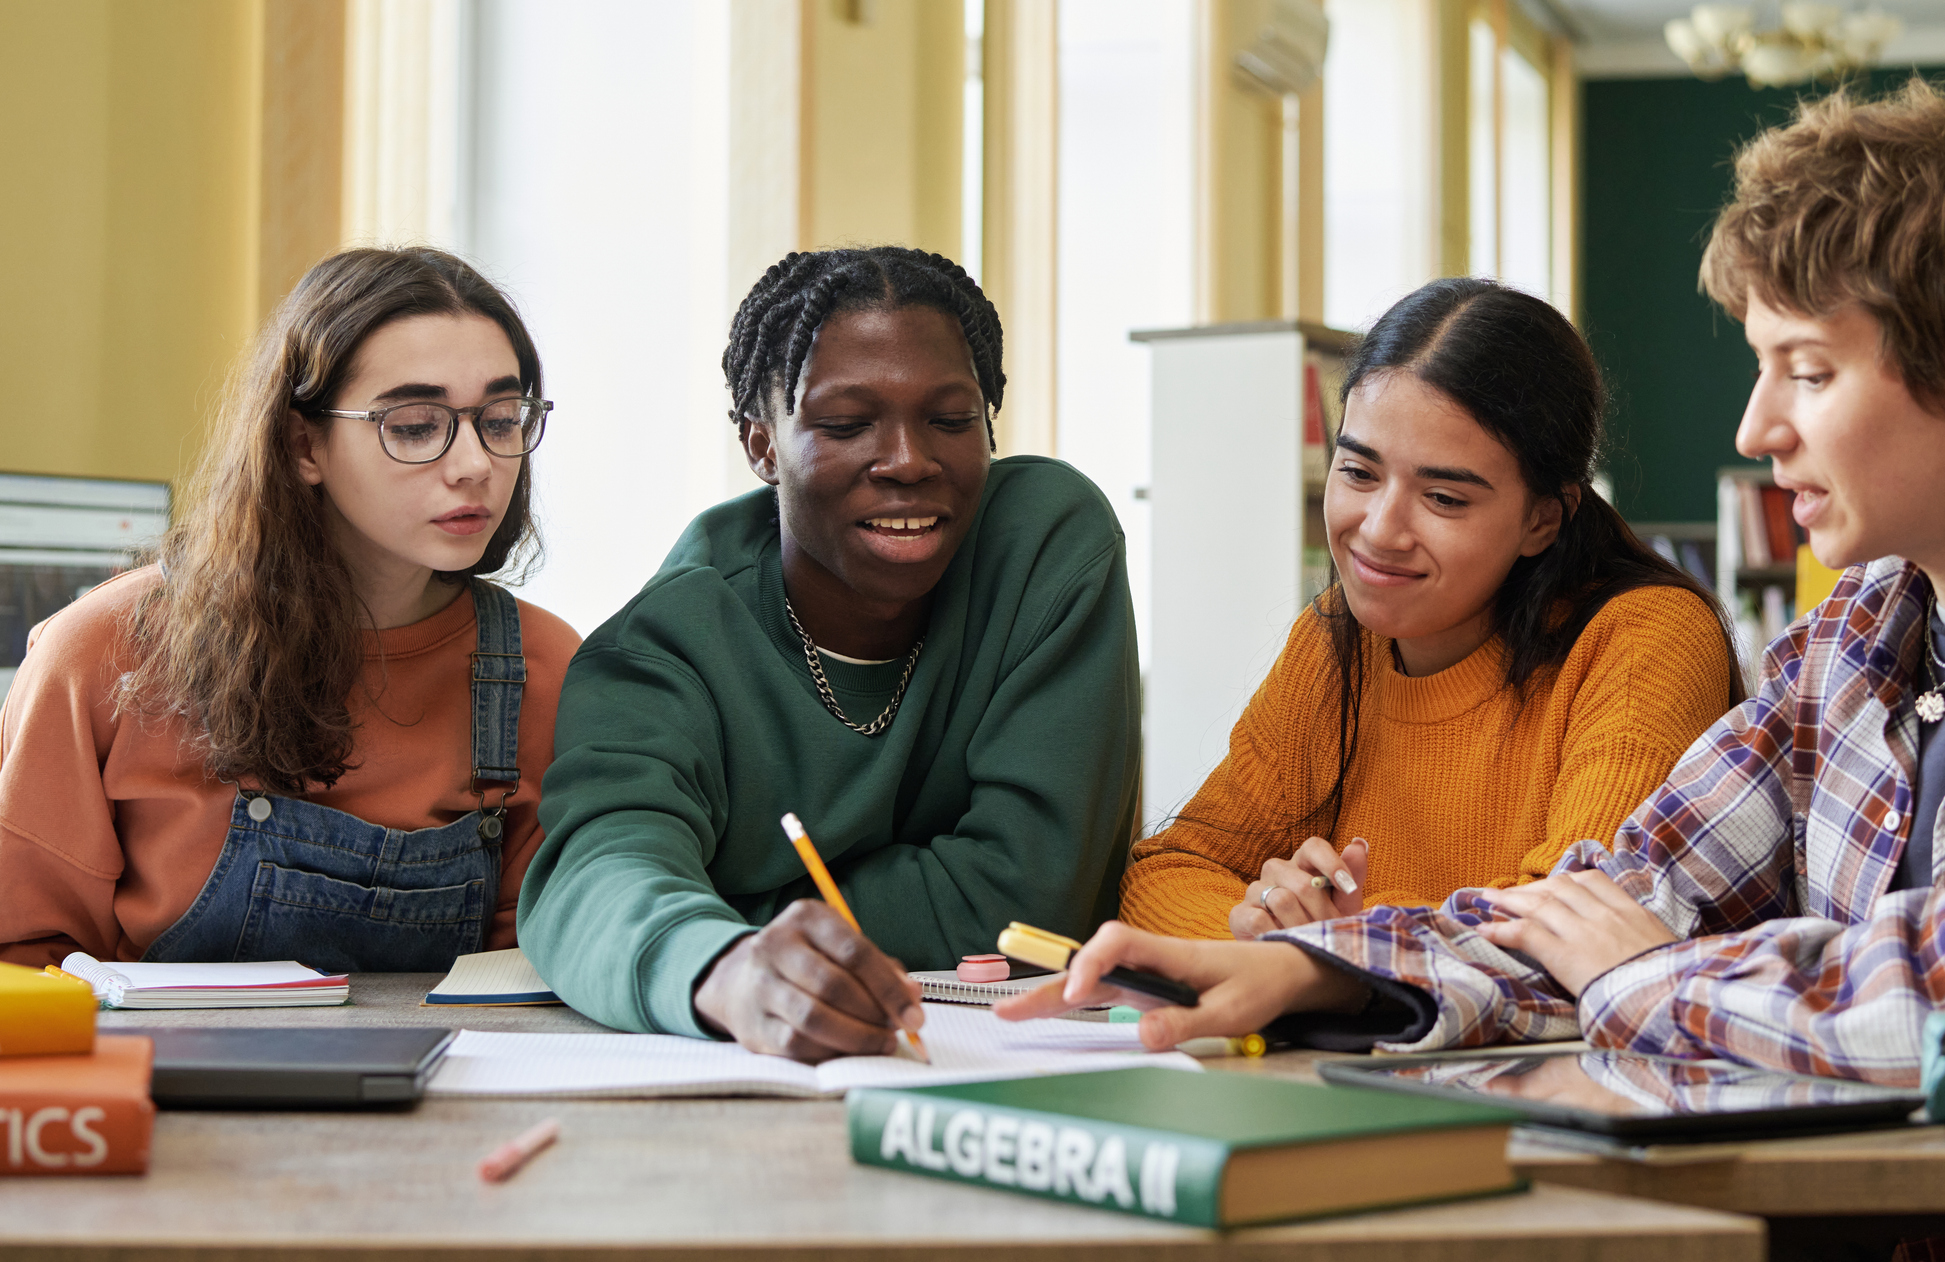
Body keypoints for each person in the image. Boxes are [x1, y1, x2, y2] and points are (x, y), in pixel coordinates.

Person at [1002, 78, 1945, 1088]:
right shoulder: (1852, 637)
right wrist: (1314, 973)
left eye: (1811, 371)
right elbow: (1615, 896)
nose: (1755, 427)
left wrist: (1653, 975)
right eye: (1759, 364)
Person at [520, 246, 1139, 1061]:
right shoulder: (665, 645)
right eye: (846, 425)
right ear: (761, 444)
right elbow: (595, 874)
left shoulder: (1047, 547)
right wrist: (728, 966)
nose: (908, 461)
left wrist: (728, 901)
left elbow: (1028, 899)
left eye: (950, 421)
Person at [0, 247, 578, 971]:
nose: (473, 464)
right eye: (415, 425)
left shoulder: (547, 669)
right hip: (164, 1080)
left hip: (448, 1078)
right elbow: (24, 963)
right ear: (305, 444)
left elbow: (536, 975)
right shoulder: (101, 652)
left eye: (500, 418)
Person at [1123, 280, 1741, 942]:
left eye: (1443, 497)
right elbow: (1169, 872)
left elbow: (1577, 924)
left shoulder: (1644, 638)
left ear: (1541, 520)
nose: (1379, 530)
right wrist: (1277, 938)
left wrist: (1349, 947)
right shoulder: (1337, 640)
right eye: (1358, 473)